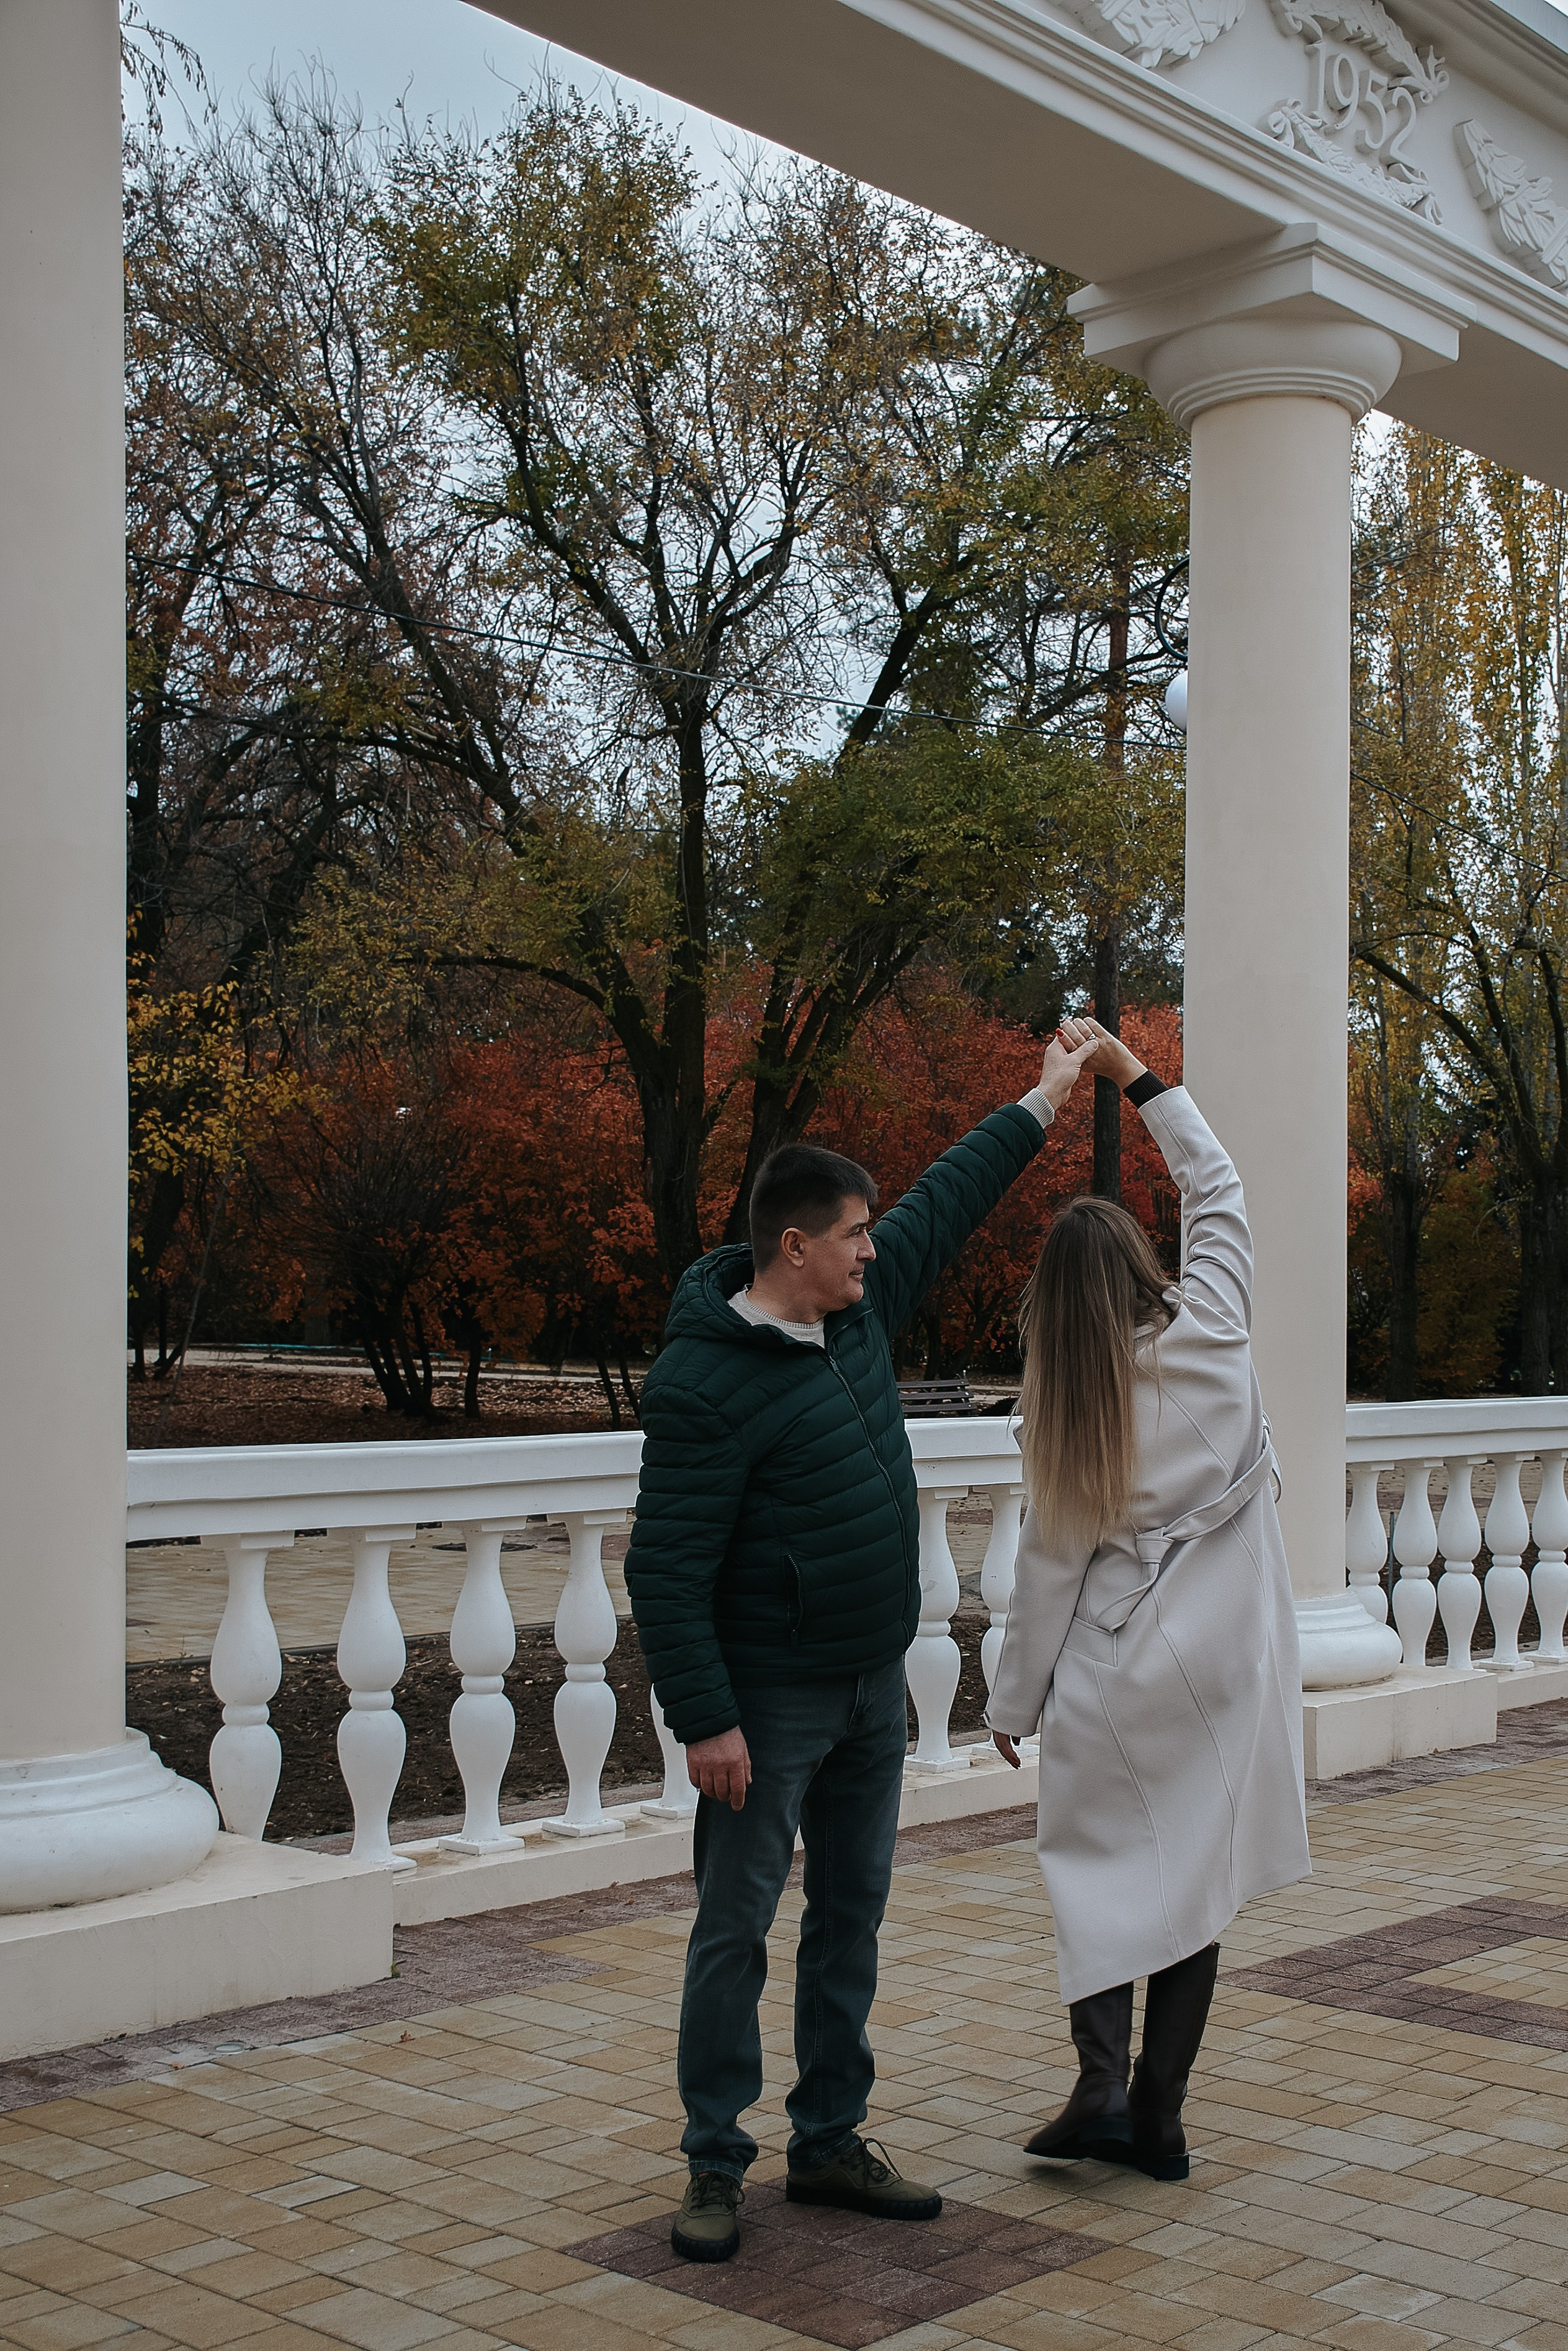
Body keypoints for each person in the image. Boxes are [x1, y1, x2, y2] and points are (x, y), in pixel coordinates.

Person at [625, 1023, 1101, 2264]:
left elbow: (952, 1190)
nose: (873, 1248)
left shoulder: (859, 1310)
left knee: (850, 1919)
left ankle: (829, 2139)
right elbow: (665, 1568)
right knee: (734, 1930)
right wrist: (707, 1718)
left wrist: (1046, 1096)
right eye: (852, 1233)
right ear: (794, 1245)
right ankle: (713, 2162)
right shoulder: (703, 1381)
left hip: (868, 1688)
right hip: (767, 1704)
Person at [986, 1018, 1310, 2184]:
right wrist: (1135, 1079)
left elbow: (1048, 1573)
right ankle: (1159, 2117)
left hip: (1115, 1672)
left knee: (1096, 1867)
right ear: (1139, 1263)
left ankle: (1099, 2084)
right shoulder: (1215, 1328)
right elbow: (1216, 1186)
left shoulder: (1068, 1409)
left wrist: (1012, 1703)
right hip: (1227, 1665)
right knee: (1194, 1883)